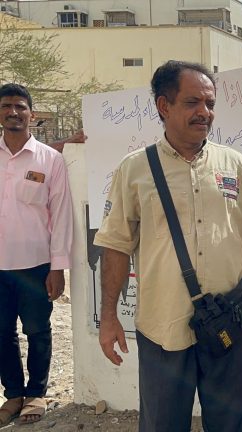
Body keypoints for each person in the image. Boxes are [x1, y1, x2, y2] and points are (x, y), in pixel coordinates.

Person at [94, 61, 242, 431]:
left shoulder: (238, 167)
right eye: (192, 102)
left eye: (210, 104)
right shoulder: (134, 169)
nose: (204, 112)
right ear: (164, 106)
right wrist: (109, 316)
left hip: (228, 326)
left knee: (233, 425)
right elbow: (115, 246)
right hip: (162, 328)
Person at [0, 83, 73, 425]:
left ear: (31, 114)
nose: (13, 112)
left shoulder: (49, 159)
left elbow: (61, 216)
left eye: (20, 106)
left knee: (37, 331)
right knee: (2, 333)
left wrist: (58, 268)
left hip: (36, 265)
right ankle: (13, 394)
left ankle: (37, 393)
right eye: (6, 106)